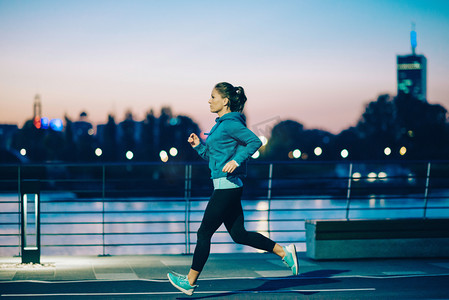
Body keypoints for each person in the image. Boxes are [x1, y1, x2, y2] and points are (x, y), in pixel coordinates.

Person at [167, 82, 299, 296]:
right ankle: (284, 252)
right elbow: (214, 158)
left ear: (225, 101)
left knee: (203, 233)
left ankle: (189, 282)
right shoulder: (221, 125)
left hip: (227, 187)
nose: (209, 100)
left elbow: (254, 142)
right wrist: (198, 146)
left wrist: (237, 161)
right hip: (226, 186)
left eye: (213, 96)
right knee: (238, 234)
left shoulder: (230, 124)